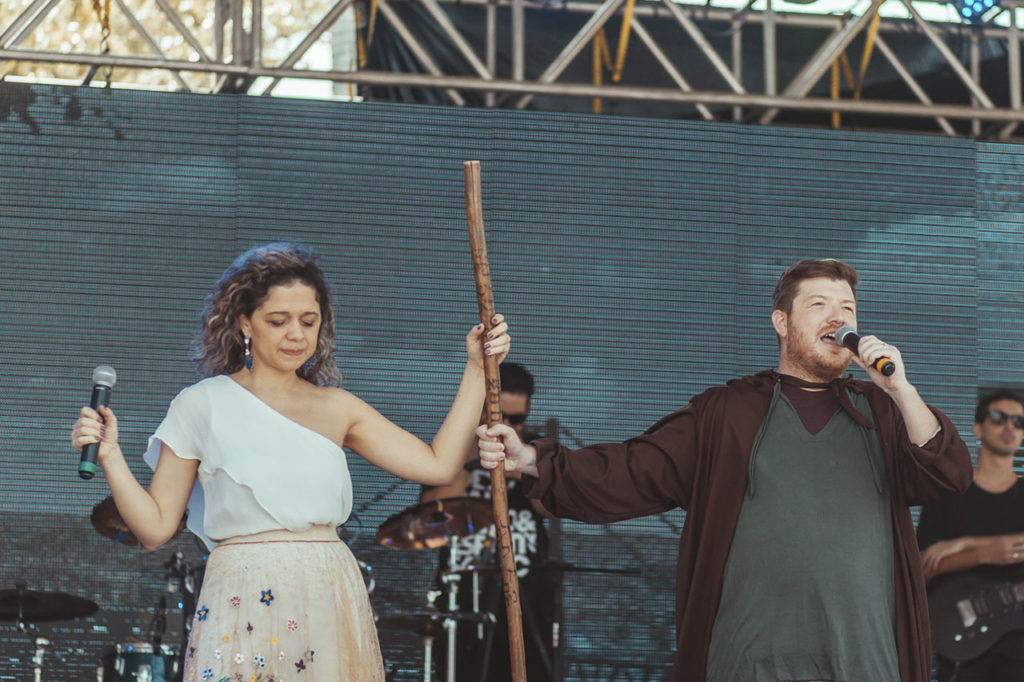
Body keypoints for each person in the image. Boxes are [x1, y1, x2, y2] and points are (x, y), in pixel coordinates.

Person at [477, 258, 971, 682]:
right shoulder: (727, 411)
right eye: (819, 305)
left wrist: (901, 389)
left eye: (848, 309)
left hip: (865, 662)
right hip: (748, 660)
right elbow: (634, 468)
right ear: (781, 322)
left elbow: (948, 474)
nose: (839, 317)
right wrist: (530, 459)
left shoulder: (883, 412)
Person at [69, 243, 511, 681]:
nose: (296, 335)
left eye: (308, 321)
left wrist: (476, 369)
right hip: (241, 594)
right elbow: (155, 529)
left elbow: (437, 466)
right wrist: (109, 456)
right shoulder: (202, 404)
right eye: (278, 321)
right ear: (244, 323)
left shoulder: (337, 407)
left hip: (327, 590)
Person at [420, 361, 557, 682]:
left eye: (517, 419)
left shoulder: (534, 448)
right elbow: (432, 519)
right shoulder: (451, 449)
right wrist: (467, 452)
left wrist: (523, 463)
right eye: (499, 418)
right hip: (462, 594)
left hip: (528, 596)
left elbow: (551, 510)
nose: (508, 425)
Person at [916, 390, 1024, 681]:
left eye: (1018, 422)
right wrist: (983, 554)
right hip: (962, 636)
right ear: (978, 428)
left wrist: (965, 544)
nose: (1010, 427)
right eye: (1000, 418)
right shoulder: (948, 491)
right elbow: (923, 566)